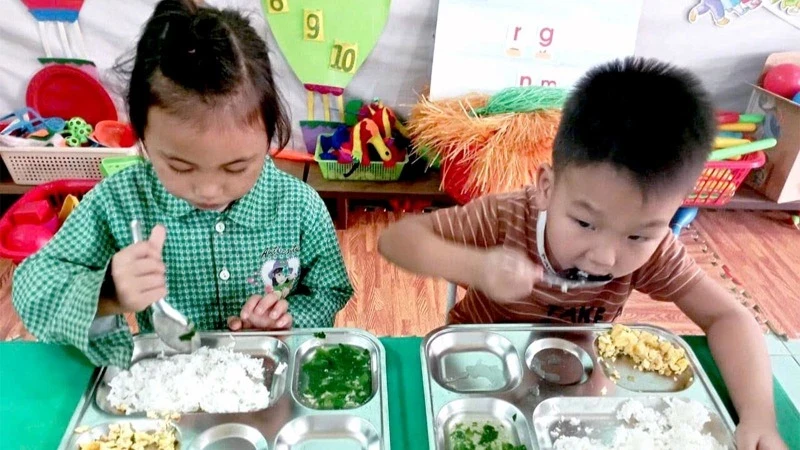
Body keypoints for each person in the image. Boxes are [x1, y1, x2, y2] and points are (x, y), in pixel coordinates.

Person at [379, 57, 785, 449]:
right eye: (586, 224)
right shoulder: (506, 218)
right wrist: (477, 267)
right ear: (547, 188)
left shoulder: (657, 249)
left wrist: (759, 417)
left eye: (638, 237)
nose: (605, 257)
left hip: (574, 378)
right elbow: (397, 241)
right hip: (477, 367)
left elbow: (728, 316)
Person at [13, 0, 353, 368]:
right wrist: (106, 293)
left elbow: (329, 290)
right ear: (141, 135)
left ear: (271, 137)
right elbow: (33, 286)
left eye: (236, 167)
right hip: (168, 384)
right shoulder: (121, 200)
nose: (208, 190)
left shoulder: (298, 206)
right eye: (180, 166)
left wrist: (283, 321)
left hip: (268, 376)